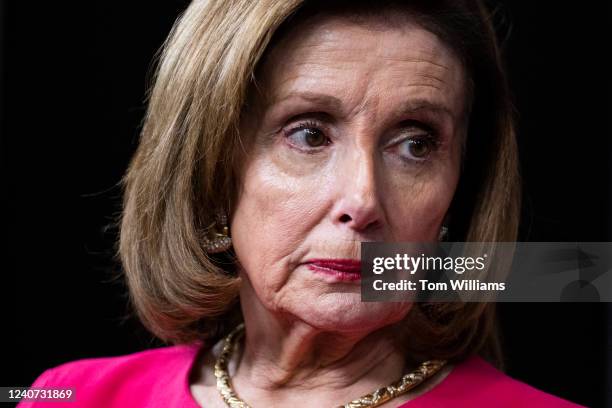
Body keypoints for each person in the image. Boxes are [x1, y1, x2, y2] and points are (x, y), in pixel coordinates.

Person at [19, 0, 584, 407]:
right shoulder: (69, 397)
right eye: (309, 134)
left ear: (459, 195)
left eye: (415, 144)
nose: (363, 200)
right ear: (211, 178)